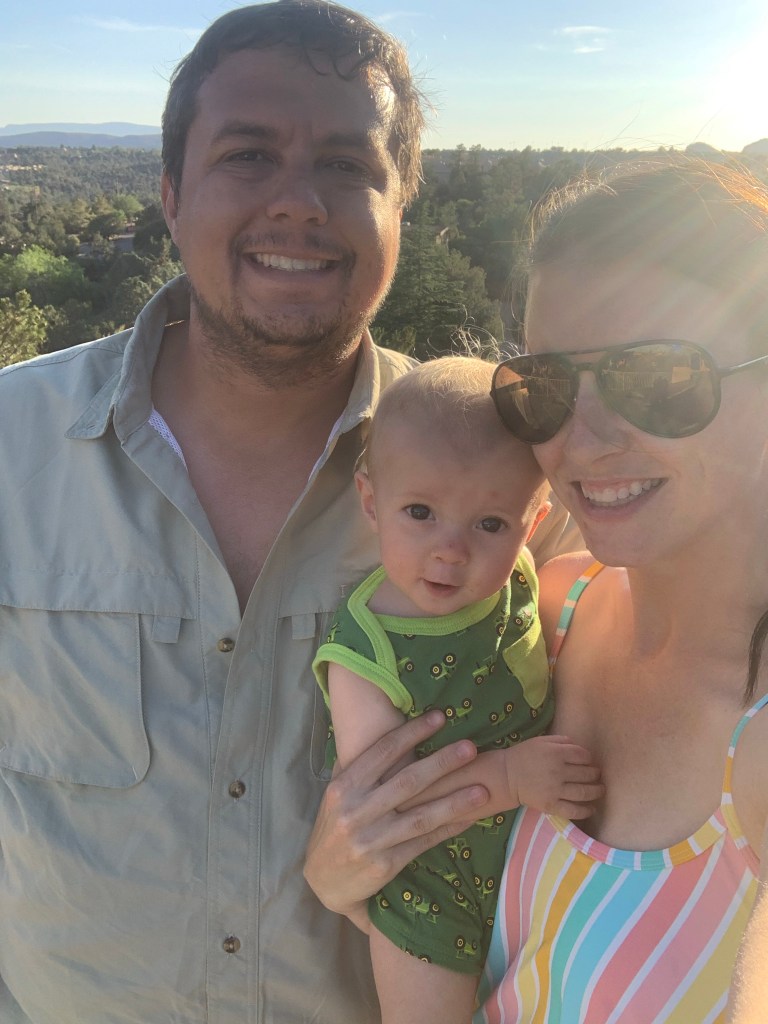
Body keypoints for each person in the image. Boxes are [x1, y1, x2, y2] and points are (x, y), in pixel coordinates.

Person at [0, 3, 579, 1023]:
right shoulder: (14, 446)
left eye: (348, 166)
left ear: (401, 209)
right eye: (248, 155)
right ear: (171, 194)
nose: (300, 203)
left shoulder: (512, 473)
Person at [305, 157, 768, 1024]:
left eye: (657, 378)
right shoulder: (549, 610)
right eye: (545, 387)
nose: (579, 442)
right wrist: (344, 872)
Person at [312, 356, 602, 1022]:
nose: (451, 550)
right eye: (420, 512)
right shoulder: (366, 653)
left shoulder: (520, 574)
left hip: (533, 857)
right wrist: (510, 776)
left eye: (490, 524)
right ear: (370, 502)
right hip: (430, 892)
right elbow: (381, 803)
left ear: (532, 523)